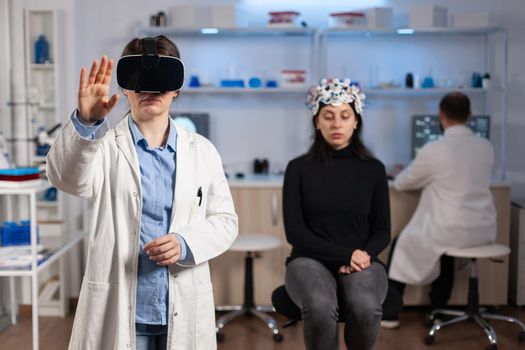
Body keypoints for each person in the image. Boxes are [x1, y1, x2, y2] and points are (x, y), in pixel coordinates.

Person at [46, 35, 238, 349]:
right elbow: (65, 178)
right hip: (120, 309)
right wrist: (87, 122)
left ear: (176, 87)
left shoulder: (202, 151)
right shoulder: (103, 146)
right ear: (124, 87)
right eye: (139, 80)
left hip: (181, 304)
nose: (150, 88)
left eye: (161, 79)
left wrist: (185, 243)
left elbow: (226, 221)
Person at [282, 78, 390, 350]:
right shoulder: (298, 169)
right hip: (308, 260)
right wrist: (344, 255)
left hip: (362, 260)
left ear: (356, 121)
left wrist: (361, 256)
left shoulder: (373, 169)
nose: (337, 124)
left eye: (345, 116)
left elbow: (382, 230)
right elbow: (295, 232)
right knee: (319, 306)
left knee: (365, 306)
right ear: (317, 122)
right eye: (328, 116)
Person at [384, 91, 497, 328]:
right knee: (444, 250)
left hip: (449, 229)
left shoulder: (435, 149)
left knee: (402, 242)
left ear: (440, 115)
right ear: (470, 115)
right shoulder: (486, 147)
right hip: (482, 230)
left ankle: (390, 312)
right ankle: (437, 307)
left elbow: (403, 182)